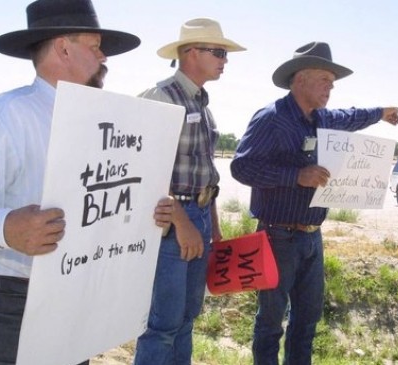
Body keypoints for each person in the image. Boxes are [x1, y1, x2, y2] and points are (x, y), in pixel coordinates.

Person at [0, 1, 175, 364]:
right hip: (16, 298)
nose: (104, 56)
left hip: (78, 290)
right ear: (63, 48)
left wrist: (147, 213)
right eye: (95, 46)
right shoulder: (7, 115)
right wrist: (5, 227)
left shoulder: (107, 120)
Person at [230, 41, 398, 365]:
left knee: (307, 321)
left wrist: (381, 113)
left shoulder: (322, 119)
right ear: (300, 79)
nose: (330, 88)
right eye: (325, 80)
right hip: (277, 236)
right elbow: (242, 167)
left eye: (332, 83)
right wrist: (296, 176)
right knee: (270, 323)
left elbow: (351, 117)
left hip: (312, 236)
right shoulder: (272, 118)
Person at [133, 18, 245, 365]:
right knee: (163, 325)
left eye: (225, 53)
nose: (225, 60)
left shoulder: (201, 104)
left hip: (197, 219)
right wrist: (183, 222)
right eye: (218, 52)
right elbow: (141, 170)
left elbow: (204, 175)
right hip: (170, 223)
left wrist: (211, 225)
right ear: (191, 53)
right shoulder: (161, 98)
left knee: (185, 319)